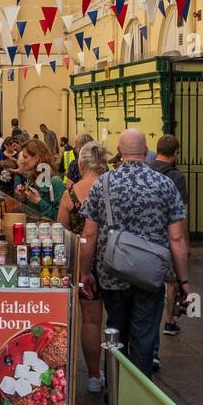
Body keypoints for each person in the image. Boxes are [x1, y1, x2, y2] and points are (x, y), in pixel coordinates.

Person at [79, 129, 190, 379]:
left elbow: (89, 233)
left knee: (115, 331)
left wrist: (85, 272)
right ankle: (138, 397)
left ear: (119, 150)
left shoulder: (103, 184)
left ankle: (114, 390)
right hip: (150, 276)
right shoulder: (164, 184)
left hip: (112, 274)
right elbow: (177, 238)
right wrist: (182, 280)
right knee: (144, 338)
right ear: (145, 149)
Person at [58, 140, 110, 392]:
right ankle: (120, 376)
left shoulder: (71, 194)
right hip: (116, 261)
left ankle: (93, 376)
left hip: (84, 264)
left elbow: (62, 232)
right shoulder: (114, 188)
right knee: (119, 321)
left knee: (91, 321)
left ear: (81, 163)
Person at [147, 135, 189, 340]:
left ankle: (151, 331)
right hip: (170, 237)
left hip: (148, 239)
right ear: (175, 154)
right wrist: (185, 243)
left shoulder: (146, 171)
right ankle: (170, 321)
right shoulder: (177, 177)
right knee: (172, 282)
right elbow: (182, 215)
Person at [13, 138, 65, 219]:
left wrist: (38, 201)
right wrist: (24, 197)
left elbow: (59, 218)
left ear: (37, 158)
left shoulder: (55, 182)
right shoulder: (31, 179)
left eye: (25, 157)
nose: (23, 161)